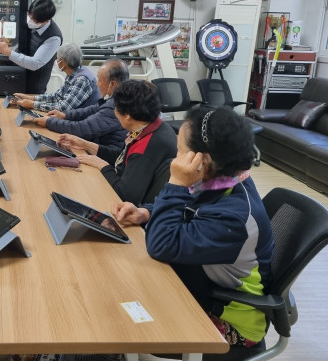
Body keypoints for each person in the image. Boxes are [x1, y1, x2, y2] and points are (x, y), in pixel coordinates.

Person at [112, 106, 274, 355]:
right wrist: (146, 212)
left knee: (117, 318)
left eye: (180, 152)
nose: (176, 159)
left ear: (202, 161)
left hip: (229, 319)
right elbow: (189, 208)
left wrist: (175, 182)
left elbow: (162, 244)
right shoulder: (221, 181)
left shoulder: (234, 217)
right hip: (197, 284)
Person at [58, 79, 176, 206]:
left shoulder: (146, 147)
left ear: (127, 115)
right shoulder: (154, 126)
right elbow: (124, 158)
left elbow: (125, 195)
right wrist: (86, 145)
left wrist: (102, 165)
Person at [0, 0, 62, 94]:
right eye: (30, 16)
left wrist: (7, 51)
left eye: (34, 20)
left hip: (33, 90)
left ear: (47, 21)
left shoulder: (53, 38)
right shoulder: (32, 16)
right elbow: (7, 9)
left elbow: (34, 63)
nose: (30, 21)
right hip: (15, 80)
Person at [33, 58, 129, 147]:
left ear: (112, 84)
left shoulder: (116, 105)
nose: (97, 84)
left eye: (100, 80)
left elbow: (82, 129)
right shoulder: (116, 99)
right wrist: (65, 115)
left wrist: (49, 122)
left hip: (104, 155)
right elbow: (90, 110)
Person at [14, 43, 100, 112]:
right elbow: (57, 97)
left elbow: (63, 108)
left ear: (63, 62)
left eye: (57, 58)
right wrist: (29, 98)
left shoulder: (82, 79)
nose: (56, 61)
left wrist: (32, 104)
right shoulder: (74, 73)